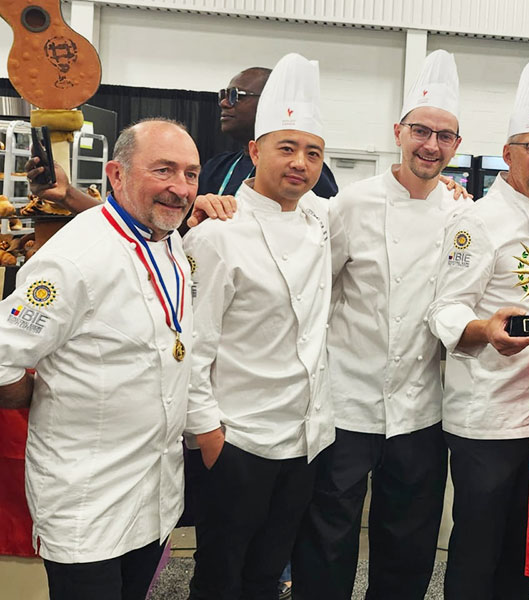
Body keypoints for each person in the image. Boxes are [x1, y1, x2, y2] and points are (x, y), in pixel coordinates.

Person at [292, 49, 472, 600]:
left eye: (445, 136)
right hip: (347, 400)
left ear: (457, 146)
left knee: (409, 541)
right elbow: (316, 288)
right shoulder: (351, 204)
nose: (431, 145)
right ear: (398, 131)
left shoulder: (464, 213)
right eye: (421, 131)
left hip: (420, 409)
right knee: (328, 534)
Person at [0, 118, 199, 600]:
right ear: (116, 174)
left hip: (153, 492)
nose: (180, 188)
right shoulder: (72, 259)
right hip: (86, 500)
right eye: (164, 170)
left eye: (191, 174)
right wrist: (26, 390)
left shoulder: (168, 243)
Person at [183, 53, 336, 600]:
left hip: (303, 439)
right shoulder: (218, 234)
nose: (300, 163)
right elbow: (193, 347)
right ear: (254, 151)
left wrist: (455, 195)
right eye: (286, 148)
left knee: (268, 573)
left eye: (312, 153)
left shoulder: (320, 219)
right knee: (220, 574)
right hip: (238, 440)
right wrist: (208, 436)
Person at [427, 57, 529, 600]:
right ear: (507, 154)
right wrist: (486, 329)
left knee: (522, 549)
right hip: (486, 417)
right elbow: (443, 308)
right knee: (478, 546)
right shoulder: (477, 221)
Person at [200, 66, 339, 199]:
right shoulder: (217, 167)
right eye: (223, 95)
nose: (224, 103)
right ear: (254, 152)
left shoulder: (302, 170)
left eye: (235, 95)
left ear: (268, 103)